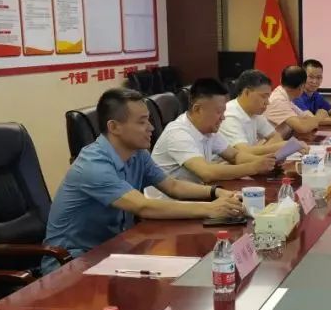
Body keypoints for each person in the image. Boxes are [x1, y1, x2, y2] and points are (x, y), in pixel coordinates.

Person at [44, 88, 244, 268]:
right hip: (72, 262)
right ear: (114, 127)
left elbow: (173, 186)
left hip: (114, 250)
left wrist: (217, 193)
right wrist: (211, 209)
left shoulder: (138, 154)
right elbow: (143, 206)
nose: (151, 128)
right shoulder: (92, 165)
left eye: (148, 120)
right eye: (142, 122)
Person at [149, 78, 276, 191]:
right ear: (197, 109)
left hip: (197, 193)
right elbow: (206, 172)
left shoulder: (208, 129)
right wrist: (253, 167)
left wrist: (266, 162)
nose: (223, 118)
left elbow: (234, 155)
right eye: (219, 112)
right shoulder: (178, 133)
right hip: (169, 203)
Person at [218, 70, 293, 155]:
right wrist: (277, 147)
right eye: (263, 96)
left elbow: (276, 137)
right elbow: (243, 153)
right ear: (246, 93)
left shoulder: (255, 112)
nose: (267, 102)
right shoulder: (229, 115)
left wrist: (259, 149)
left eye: (268, 97)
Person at [265, 65, 321, 136]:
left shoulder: (285, 96)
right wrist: (319, 117)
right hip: (269, 142)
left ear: (281, 80)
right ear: (301, 87)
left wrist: (315, 119)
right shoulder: (278, 100)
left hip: (281, 140)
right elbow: (302, 128)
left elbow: (306, 117)